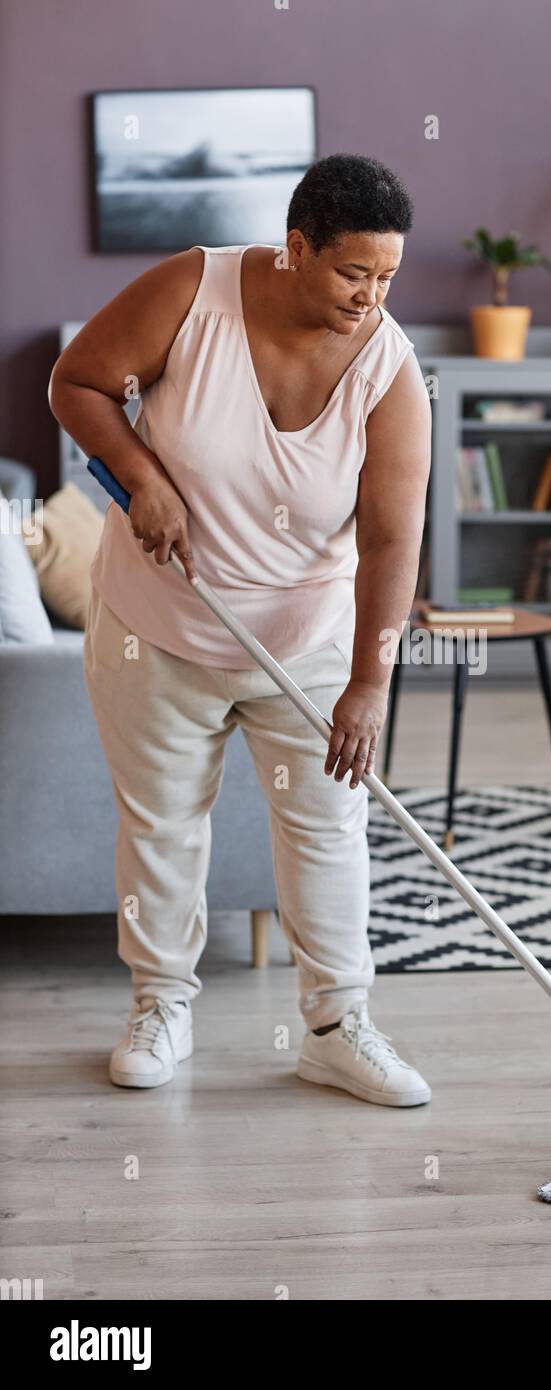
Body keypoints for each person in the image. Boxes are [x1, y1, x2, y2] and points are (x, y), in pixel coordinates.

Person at [48, 152, 432, 1106]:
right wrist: (144, 477)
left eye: (387, 277)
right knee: (163, 823)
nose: (370, 298)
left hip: (304, 638)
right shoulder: (196, 289)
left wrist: (370, 684)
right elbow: (79, 383)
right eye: (353, 273)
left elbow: (391, 538)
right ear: (296, 247)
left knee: (328, 830)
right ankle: (162, 1006)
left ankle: (339, 1028)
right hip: (158, 624)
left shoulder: (388, 366)